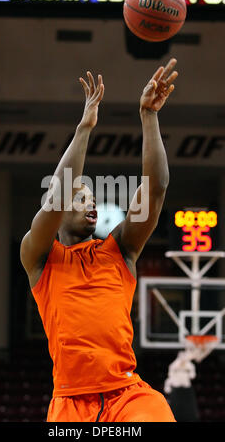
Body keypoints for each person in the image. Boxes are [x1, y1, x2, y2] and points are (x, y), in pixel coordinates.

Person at [20, 59, 178, 422]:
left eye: (93, 197)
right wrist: (84, 129)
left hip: (129, 398)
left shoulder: (120, 250)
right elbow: (58, 194)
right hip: (69, 404)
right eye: (81, 197)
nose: (90, 202)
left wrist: (149, 116)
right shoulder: (40, 257)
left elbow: (157, 189)